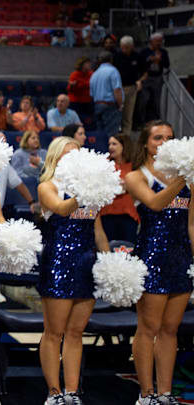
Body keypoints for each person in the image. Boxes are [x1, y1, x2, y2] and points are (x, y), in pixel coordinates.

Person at [37, 136, 110, 405]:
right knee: (54, 331)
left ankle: (71, 390)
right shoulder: (47, 186)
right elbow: (61, 209)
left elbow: (98, 230)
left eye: (78, 155)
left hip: (86, 263)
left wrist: (108, 262)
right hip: (58, 263)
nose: (74, 160)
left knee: (77, 332)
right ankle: (53, 392)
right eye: (68, 155)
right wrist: (85, 189)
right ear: (56, 159)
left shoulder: (92, 192)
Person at [125, 121, 193, 405]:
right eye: (157, 137)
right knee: (149, 327)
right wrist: (181, 178)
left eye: (169, 137)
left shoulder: (188, 180)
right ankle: (146, 393)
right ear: (146, 144)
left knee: (170, 329)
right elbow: (154, 204)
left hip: (180, 257)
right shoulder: (135, 176)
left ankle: (165, 393)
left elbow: (191, 223)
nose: (164, 141)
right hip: (151, 256)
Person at [99, 133, 139, 243]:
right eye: (109, 144)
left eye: (114, 144)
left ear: (124, 146)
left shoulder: (134, 166)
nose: (110, 147)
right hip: (107, 214)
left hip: (128, 214)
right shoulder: (104, 164)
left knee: (128, 249)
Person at [0, 131, 36, 211]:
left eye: (5, 142)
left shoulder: (4, 164)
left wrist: (31, 202)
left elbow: (19, 184)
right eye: (1, 142)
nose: (5, 146)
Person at [113, 36, 144, 136]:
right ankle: (116, 136)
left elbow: (144, 72)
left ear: (132, 46)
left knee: (128, 114)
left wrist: (139, 81)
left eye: (126, 47)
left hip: (131, 88)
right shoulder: (116, 56)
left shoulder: (137, 56)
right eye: (122, 47)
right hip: (118, 89)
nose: (124, 49)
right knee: (117, 113)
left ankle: (126, 137)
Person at [89, 51, 123, 139]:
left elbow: (91, 94)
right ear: (111, 60)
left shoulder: (94, 74)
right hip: (110, 106)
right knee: (111, 135)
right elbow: (117, 89)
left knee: (100, 134)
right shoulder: (113, 71)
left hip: (97, 105)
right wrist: (120, 104)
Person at [138, 33, 170, 123]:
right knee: (144, 100)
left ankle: (156, 120)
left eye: (160, 41)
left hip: (157, 78)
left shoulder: (163, 52)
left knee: (156, 101)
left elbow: (167, 65)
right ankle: (142, 121)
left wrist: (160, 60)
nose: (159, 43)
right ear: (151, 41)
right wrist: (149, 60)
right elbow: (139, 65)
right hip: (146, 78)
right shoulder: (144, 52)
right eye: (157, 41)